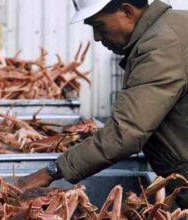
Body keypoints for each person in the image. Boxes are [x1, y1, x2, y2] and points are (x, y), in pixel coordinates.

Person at [18, 0, 188, 208]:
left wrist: (52, 171)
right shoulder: (174, 27)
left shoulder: (160, 47)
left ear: (126, 11)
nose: (96, 38)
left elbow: (125, 133)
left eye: (98, 26)